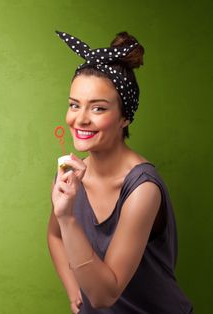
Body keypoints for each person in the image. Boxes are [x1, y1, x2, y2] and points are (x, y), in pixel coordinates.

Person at [47, 31, 193, 314]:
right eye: (74, 104)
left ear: (125, 117)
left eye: (98, 108)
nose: (80, 119)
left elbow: (104, 296)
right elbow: (55, 236)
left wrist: (67, 217)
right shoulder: (68, 175)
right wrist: (74, 290)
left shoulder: (142, 189)